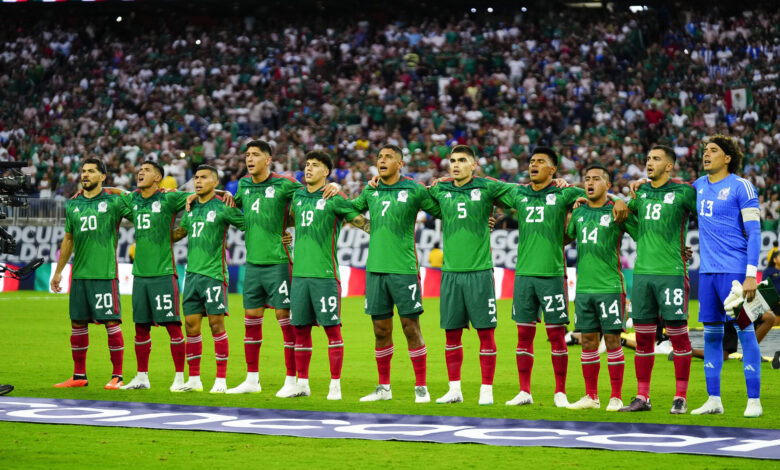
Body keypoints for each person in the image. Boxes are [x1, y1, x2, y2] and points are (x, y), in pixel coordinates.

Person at [499, 147, 628, 407]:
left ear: (553, 169)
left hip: (553, 275)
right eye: (531, 161)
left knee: (557, 335)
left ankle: (560, 392)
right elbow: (487, 193)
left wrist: (620, 199)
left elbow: (598, 194)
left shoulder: (565, 192)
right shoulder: (519, 192)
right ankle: (525, 391)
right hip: (523, 276)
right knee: (523, 335)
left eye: (540, 162)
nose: (533, 165)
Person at [225, 140, 339, 396]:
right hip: (253, 264)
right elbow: (245, 211)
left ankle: (292, 380)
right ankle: (252, 380)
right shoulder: (243, 185)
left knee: (285, 322)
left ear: (268, 160)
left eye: (255, 155)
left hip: (279, 263)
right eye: (247, 155)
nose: (249, 159)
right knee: (251, 320)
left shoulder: (285, 183)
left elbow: (310, 194)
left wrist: (334, 185)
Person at [351, 144, 441, 403]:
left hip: (404, 270)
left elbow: (442, 209)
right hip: (375, 270)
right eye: (379, 157)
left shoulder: (413, 189)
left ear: (400, 164)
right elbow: (349, 209)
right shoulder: (371, 188)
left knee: (410, 327)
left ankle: (421, 388)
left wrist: (441, 185)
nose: (382, 160)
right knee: (380, 330)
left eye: (388, 157)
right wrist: (366, 225)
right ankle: (383, 388)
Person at [427, 145, 514, 405]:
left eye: (462, 160)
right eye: (452, 160)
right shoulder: (441, 189)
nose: (455, 164)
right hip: (451, 274)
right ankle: (454, 390)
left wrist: (558, 183)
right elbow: (420, 193)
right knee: (451, 334)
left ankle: (486, 392)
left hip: (479, 273)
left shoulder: (487, 187)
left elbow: (523, 194)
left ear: (474, 165)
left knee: (485, 333)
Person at [280, 151, 369, 400]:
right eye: (307, 165)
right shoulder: (296, 194)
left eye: (315, 165)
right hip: (299, 276)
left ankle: (335, 386)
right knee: (300, 330)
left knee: (332, 330)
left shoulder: (335, 197)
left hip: (325, 276)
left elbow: (362, 221)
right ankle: (302, 384)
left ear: (326, 172)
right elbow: (286, 218)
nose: (308, 169)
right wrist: (285, 231)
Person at [620, 145, 696, 414]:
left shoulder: (685, 191)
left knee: (678, 337)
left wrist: (686, 248)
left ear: (669, 166)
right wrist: (618, 201)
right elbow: (622, 214)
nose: (649, 162)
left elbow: (708, 217)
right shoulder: (639, 192)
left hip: (672, 273)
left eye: (656, 159)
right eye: (648, 158)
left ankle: (681, 396)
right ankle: (643, 397)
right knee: (642, 340)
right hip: (641, 275)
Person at [691, 135, 763, 418]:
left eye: (713, 150)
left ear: (728, 157)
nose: (706, 154)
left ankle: (754, 400)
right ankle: (714, 399)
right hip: (707, 273)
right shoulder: (697, 186)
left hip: (734, 272)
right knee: (711, 336)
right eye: (705, 150)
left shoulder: (741, 186)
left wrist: (750, 275)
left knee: (746, 333)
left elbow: (755, 232)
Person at [51, 158, 131, 389]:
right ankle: (78, 376)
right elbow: (68, 239)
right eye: (83, 171)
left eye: (91, 171)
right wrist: (58, 272)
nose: (85, 175)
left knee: (111, 323)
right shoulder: (73, 205)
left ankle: (117, 376)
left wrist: (118, 190)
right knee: (77, 324)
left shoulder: (114, 201)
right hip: (79, 275)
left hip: (104, 274)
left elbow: (138, 206)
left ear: (102, 177)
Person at [565, 164, 635, 411]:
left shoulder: (617, 211)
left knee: (613, 341)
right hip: (584, 289)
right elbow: (565, 237)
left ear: (607, 184)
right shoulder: (580, 213)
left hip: (610, 287)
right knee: (587, 342)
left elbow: (641, 234)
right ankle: (591, 396)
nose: (590, 182)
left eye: (596, 178)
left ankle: (616, 397)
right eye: (586, 179)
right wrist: (568, 210)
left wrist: (620, 200)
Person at [171, 165, 245, 393]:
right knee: (191, 327)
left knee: (216, 325)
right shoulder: (190, 207)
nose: (198, 181)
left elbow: (249, 225)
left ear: (215, 183)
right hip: (191, 276)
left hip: (213, 275)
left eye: (204, 178)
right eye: (195, 177)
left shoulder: (223, 206)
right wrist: (154, 233)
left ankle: (221, 380)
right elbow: (180, 233)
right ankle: (194, 380)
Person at [118, 161, 190, 391]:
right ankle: (141, 377)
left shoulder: (169, 198)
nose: (140, 172)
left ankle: (179, 379)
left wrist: (224, 192)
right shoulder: (134, 200)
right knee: (140, 327)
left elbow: (199, 195)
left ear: (158, 177)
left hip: (163, 274)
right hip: (140, 275)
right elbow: (115, 194)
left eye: (147, 170)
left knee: (172, 326)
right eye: (140, 169)